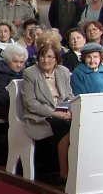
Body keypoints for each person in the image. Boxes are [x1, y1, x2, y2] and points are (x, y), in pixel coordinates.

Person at [21, 35, 74, 184]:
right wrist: (54, 113)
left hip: (63, 112)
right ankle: (64, 173)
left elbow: (69, 95)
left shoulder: (63, 71)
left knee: (78, 124)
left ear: (56, 59)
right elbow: (30, 102)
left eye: (50, 57)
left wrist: (69, 109)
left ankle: (71, 171)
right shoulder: (31, 73)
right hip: (40, 116)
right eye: (43, 56)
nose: (46, 60)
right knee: (65, 127)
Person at [0, 45, 28, 118]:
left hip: (17, 104)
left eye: (21, 62)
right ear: (7, 60)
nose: (19, 65)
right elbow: (2, 97)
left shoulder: (24, 73)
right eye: (15, 61)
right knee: (19, 114)